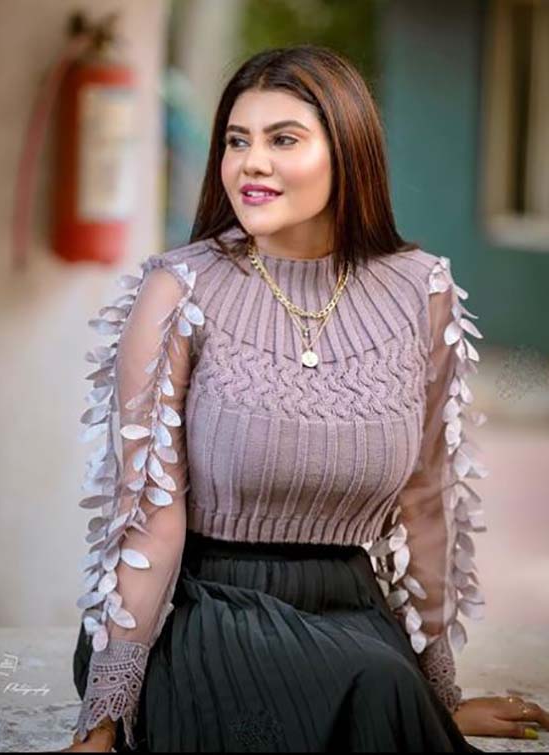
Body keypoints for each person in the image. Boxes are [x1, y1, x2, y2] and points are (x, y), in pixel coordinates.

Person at [62, 45, 548, 752]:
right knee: (374, 686)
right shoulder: (180, 288)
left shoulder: (422, 290)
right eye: (237, 141)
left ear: (347, 151)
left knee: (382, 682)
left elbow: (425, 502)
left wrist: (440, 696)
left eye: (283, 139)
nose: (250, 163)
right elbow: (149, 520)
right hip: (199, 612)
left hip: (350, 610)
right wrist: (103, 718)